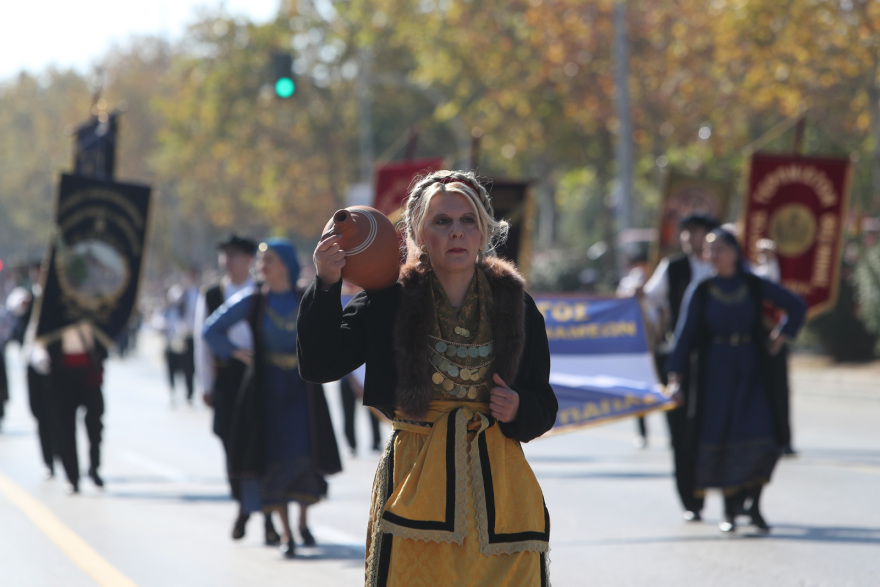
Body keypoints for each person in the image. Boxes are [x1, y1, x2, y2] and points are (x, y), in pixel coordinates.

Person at [297, 170, 556, 585]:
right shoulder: (388, 300)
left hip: (501, 492)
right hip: (416, 485)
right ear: (418, 231)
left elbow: (544, 405)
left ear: (483, 231)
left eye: (467, 220)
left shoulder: (516, 304)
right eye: (442, 221)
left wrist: (521, 407)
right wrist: (326, 284)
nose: (457, 232)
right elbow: (319, 364)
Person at [203, 238, 341, 558]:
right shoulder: (253, 300)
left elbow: (337, 326)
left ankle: (304, 520)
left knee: (306, 451)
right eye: (261, 261)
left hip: (302, 388)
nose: (262, 267)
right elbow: (211, 330)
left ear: (287, 265)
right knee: (274, 456)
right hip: (268, 392)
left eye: (270, 261)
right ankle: (286, 532)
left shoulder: (305, 296)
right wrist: (237, 353)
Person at [666, 229, 806, 533]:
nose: (713, 256)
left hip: (753, 372)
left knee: (765, 437)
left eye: (719, 249)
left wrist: (780, 336)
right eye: (709, 251)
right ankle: (729, 510)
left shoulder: (752, 284)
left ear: (734, 252)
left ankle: (754, 506)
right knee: (723, 440)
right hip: (715, 376)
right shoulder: (701, 289)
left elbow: (795, 306)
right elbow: (685, 337)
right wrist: (675, 379)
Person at [193, 234, 279, 543]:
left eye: (233, 255)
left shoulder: (262, 292)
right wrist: (206, 384)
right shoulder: (212, 294)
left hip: (259, 377)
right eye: (224, 255)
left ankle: (268, 515)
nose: (227, 261)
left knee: (262, 443)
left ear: (248, 260)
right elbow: (202, 342)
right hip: (228, 379)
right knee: (232, 444)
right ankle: (243, 505)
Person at [641, 212, 719, 521]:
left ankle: (733, 499)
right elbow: (648, 299)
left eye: (696, 231)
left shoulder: (723, 266)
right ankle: (691, 500)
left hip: (719, 359)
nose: (689, 238)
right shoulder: (672, 268)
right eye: (685, 232)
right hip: (679, 359)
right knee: (681, 433)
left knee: (718, 429)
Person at [47, 323, 108, 494]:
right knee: (65, 428)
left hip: (89, 372)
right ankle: (72, 477)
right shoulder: (54, 308)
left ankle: (94, 468)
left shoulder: (91, 307)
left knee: (95, 425)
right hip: (63, 374)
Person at [753, 238, 797, 456]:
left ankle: (783, 440)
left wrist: (779, 337)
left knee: (779, 391)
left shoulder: (766, 273)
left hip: (771, 337)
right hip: (748, 340)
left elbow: (771, 282)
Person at [338, 372, 382, 456]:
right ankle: (351, 445)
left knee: (375, 412)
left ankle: (376, 442)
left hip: (368, 378)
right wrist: (354, 382)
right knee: (348, 415)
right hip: (347, 380)